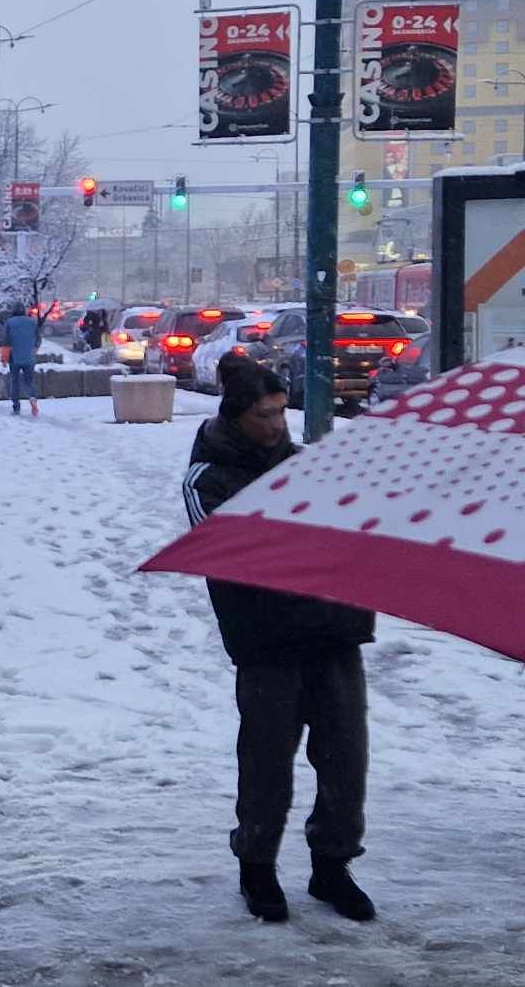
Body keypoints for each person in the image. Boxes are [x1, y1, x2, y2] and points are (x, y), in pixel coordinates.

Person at [184, 357, 378, 925]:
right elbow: (227, 551)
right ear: (235, 416)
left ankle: (332, 865)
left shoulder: (306, 465)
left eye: (279, 413)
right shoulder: (209, 478)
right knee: (267, 762)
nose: (276, 425)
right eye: (263, 415)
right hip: (267, 641)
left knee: (346, 759)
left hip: (335, 630)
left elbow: (349, 535)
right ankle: (257, 865)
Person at [2, 305, 41, 416]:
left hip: (14, 358)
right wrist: (34, 350)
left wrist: (4, 358)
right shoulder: (32, 322)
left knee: (14, 382)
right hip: (29, 357)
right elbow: (38, 339)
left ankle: (16, 407)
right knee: (29, 381)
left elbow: (6, 341)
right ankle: (32, 397)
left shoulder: (9, 323)